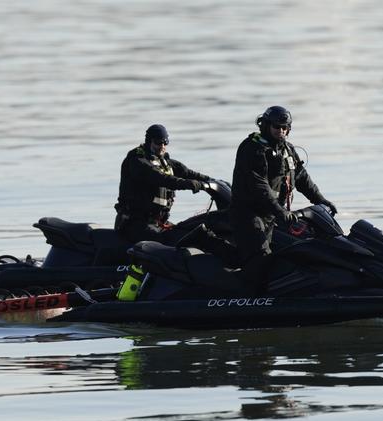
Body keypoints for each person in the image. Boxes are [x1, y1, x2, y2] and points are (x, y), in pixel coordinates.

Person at [230, 106, 338, 291]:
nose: (280, 131)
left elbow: (302, 177)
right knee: (259, 257)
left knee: (274, 254)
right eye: (276, 127)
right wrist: (280, 211)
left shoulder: (287, 149)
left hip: (271, 215)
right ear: (266, 125)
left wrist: (320, 200)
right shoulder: (252, 148)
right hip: (249, 213)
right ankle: (252, 298)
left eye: (284, 127)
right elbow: (259, 186)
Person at [115, 124, 235, 262]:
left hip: (158, 222)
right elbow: (162, 179)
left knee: (187, 233)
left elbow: (187, 172)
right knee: (169, 243)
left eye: (165, 143)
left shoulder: (163, 161)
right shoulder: (137, 161)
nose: (162, 146)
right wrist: (193, 185)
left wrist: (211, 181)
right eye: (158, 143)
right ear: (149, 141)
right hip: (135, 224)